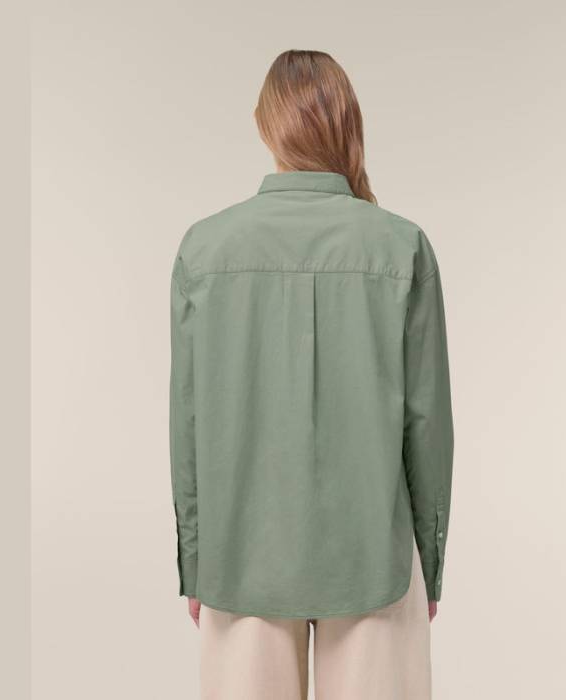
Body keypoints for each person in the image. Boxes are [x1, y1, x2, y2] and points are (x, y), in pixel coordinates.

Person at [169, 49, 454, 699]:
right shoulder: (401, 246)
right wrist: (428, 565)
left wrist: (196, 559)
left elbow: (189, 423)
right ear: (348, 123)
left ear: (267, 126)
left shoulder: (204, 249)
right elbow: (427, 425)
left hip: (240, 558)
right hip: (375, 557)